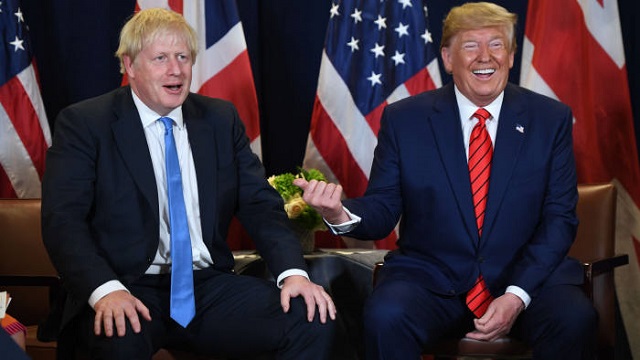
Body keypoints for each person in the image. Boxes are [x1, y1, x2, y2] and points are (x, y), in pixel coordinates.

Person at [294, 2, 597, 359]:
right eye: (470, 45)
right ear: (448, 58)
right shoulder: (405, 119)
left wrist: (516, 295)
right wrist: (340, 212)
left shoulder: (550, 119)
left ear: (512, 56)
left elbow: (559, 219)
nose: (486, 57)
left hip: (528, 282)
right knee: (385, 315)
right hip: (432, 281)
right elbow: (383, 206)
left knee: (574, 318)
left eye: (497, 45)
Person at [41, 8, 335, 359]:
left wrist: (293, 274)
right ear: (130, 66)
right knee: (115, 341)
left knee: (311, 316)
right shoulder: (86, 124)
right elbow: (63, 222)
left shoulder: (219, 119)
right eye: (161, 58)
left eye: (183, 57)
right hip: (125, 284)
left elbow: (260, 206)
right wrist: (104, 290)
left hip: (206, 286)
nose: (176, 70)